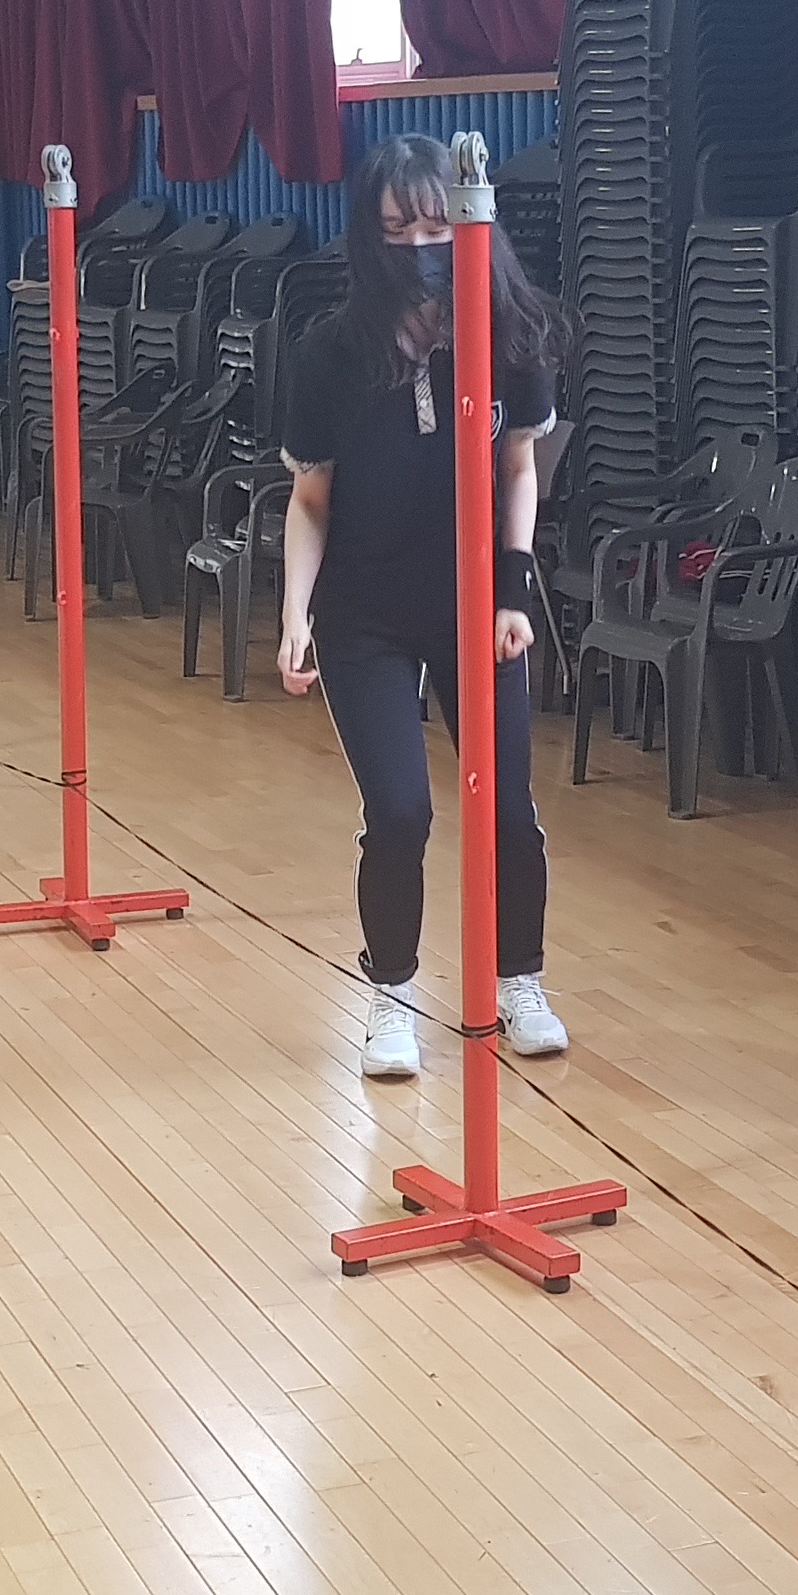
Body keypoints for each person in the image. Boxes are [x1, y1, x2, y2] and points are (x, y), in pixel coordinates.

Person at [277, 135, 571, 1080]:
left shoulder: (510, 336)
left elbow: (518, 468)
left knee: (509, 809)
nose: (419, 245)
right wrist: (294, 615)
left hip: (476, 610)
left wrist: (514, 592)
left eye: (436, 225)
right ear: (369, 237)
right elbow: (310, 499)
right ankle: (391, 996)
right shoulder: (330, 352)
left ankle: (520, 978)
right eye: (397, 228)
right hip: (364, 614)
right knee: (400, 812)